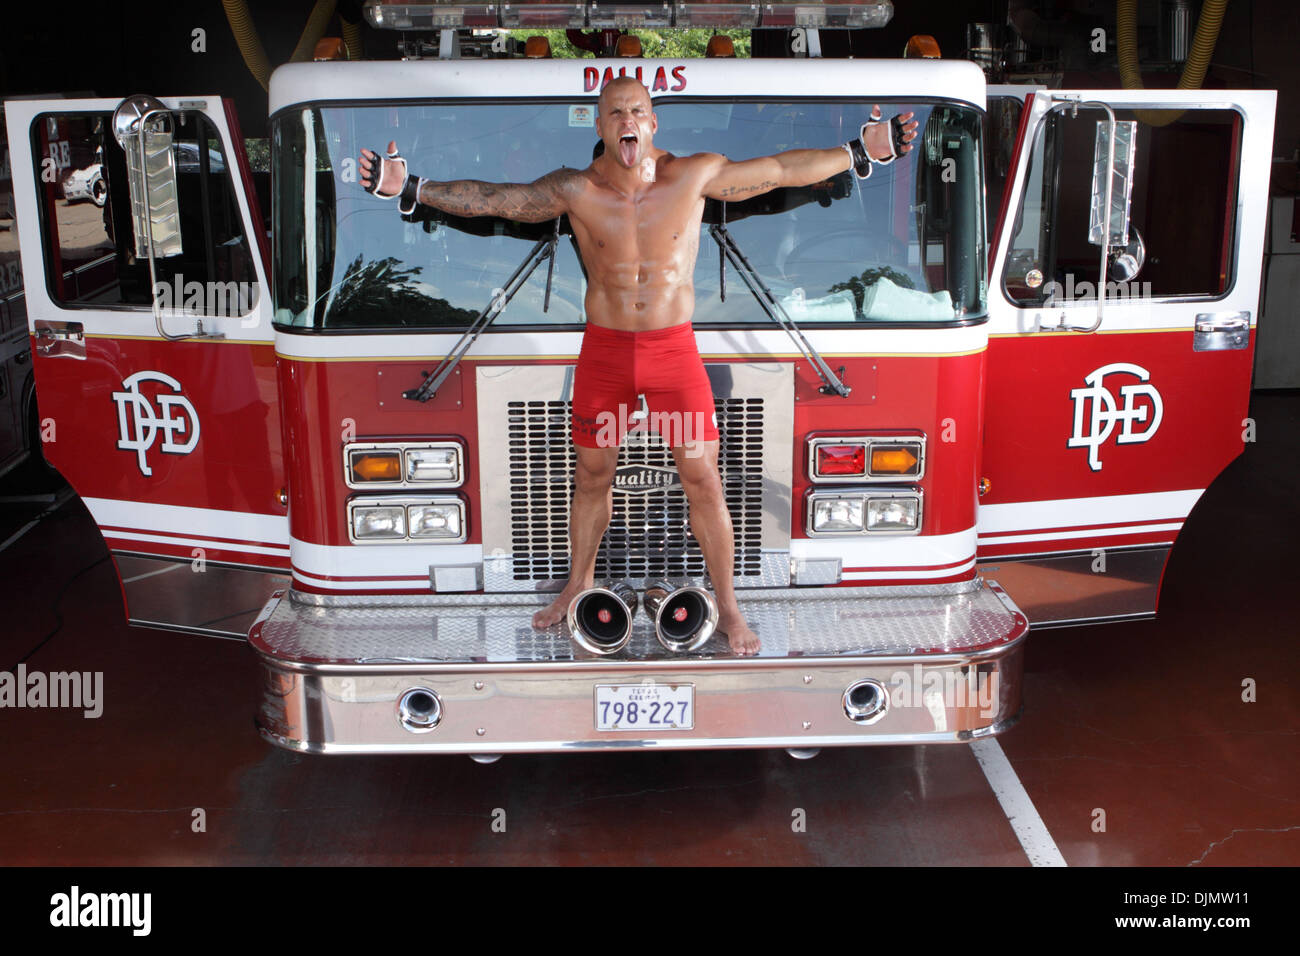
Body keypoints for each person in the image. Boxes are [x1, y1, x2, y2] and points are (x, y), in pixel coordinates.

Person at [359, 77, 917, 656]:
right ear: (601, 127)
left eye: (637, 111)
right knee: (593, 476)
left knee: (703, 478)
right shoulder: (575, 189)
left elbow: (777, 171)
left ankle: (728, 607)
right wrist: (414, 187)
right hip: (605, 352)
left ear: (652, 124)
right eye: (615, 112)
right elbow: (500, 200)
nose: (628, 119)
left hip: (673, 352)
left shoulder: (692, 175)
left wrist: (857, 151)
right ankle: (578, 584)